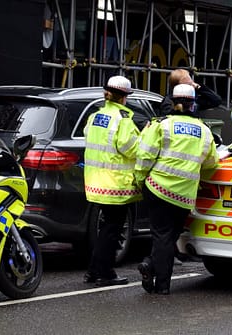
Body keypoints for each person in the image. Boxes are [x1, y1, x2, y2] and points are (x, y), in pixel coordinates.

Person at [135, 84, 219, 295]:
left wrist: (139, 179)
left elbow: (145, 155)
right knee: (169, 236)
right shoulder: (204, 130)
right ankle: (152, 268)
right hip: (184, 195)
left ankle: (160, 283)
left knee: (161, 236)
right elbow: (211, 164)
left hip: (158, 188)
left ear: (172, 102)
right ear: (193, 104)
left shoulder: (161, 125)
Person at [82, 75, 142, 287]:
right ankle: (104, 272)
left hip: (96, 182)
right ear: (124, 97)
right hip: (115, 184)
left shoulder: (95, 116)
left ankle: (93, 271)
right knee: (112, 230)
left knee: (107, 228)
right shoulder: (123, 120)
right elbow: (132, 149)